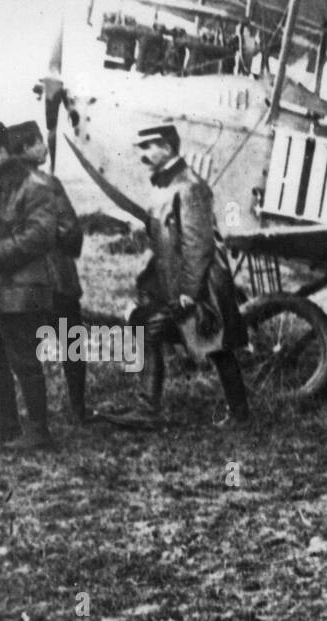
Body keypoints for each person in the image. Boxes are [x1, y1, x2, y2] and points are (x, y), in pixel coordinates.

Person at [101, 123, 249, 429]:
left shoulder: (190, 186)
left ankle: (150, 410)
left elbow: (198, 245)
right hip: (183, 284)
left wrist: (188, 292)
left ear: (167, 147)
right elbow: (165, 244)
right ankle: (238, 413)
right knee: (212, 345)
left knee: (209, 343)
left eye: (147, 147)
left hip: (201, 286)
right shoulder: (166, 185)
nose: (142, 154)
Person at [0, 120, 59, 451]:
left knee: (24, 360)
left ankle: (38, 430)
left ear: (0, 150)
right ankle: (7, 425)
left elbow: (40, 235)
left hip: (19, 288)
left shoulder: (34, 186)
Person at [8, 120, 89, 424]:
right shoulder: (48, 183)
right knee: (72, 345)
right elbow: (70, 231)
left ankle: (31, 418)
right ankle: (79, 409)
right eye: (39, 141)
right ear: (26, 148)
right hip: (56, 278)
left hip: (19, 280)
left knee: (24, 349)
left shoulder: (5, 186)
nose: (45, 146)